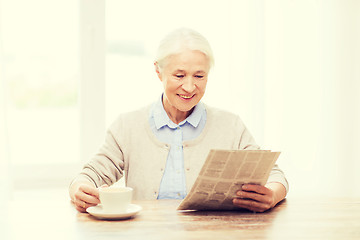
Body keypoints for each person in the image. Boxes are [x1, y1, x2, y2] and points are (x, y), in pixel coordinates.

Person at [69, 28, 289, 213]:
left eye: (199, 76)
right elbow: (89, 176)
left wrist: (272, 194)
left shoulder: (230, 125)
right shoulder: (127, 126)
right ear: (158, 71)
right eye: (179, 75)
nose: (190, 87)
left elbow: (275, 175)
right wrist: (80, 189)